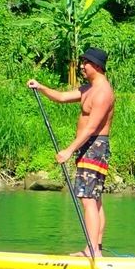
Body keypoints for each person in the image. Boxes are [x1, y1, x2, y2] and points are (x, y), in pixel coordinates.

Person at [28, 47, 115, 258]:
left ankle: (92, 251)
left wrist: (68, 150)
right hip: (89, 147)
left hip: (94, 147)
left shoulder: (103, 93)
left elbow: (91, 127)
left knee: (88, 198)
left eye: (85, 63)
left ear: (96, 66)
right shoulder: (89, 89)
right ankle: (96, 248)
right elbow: (61, 97)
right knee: (94, 199)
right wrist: (41, 87)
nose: (82, 67)